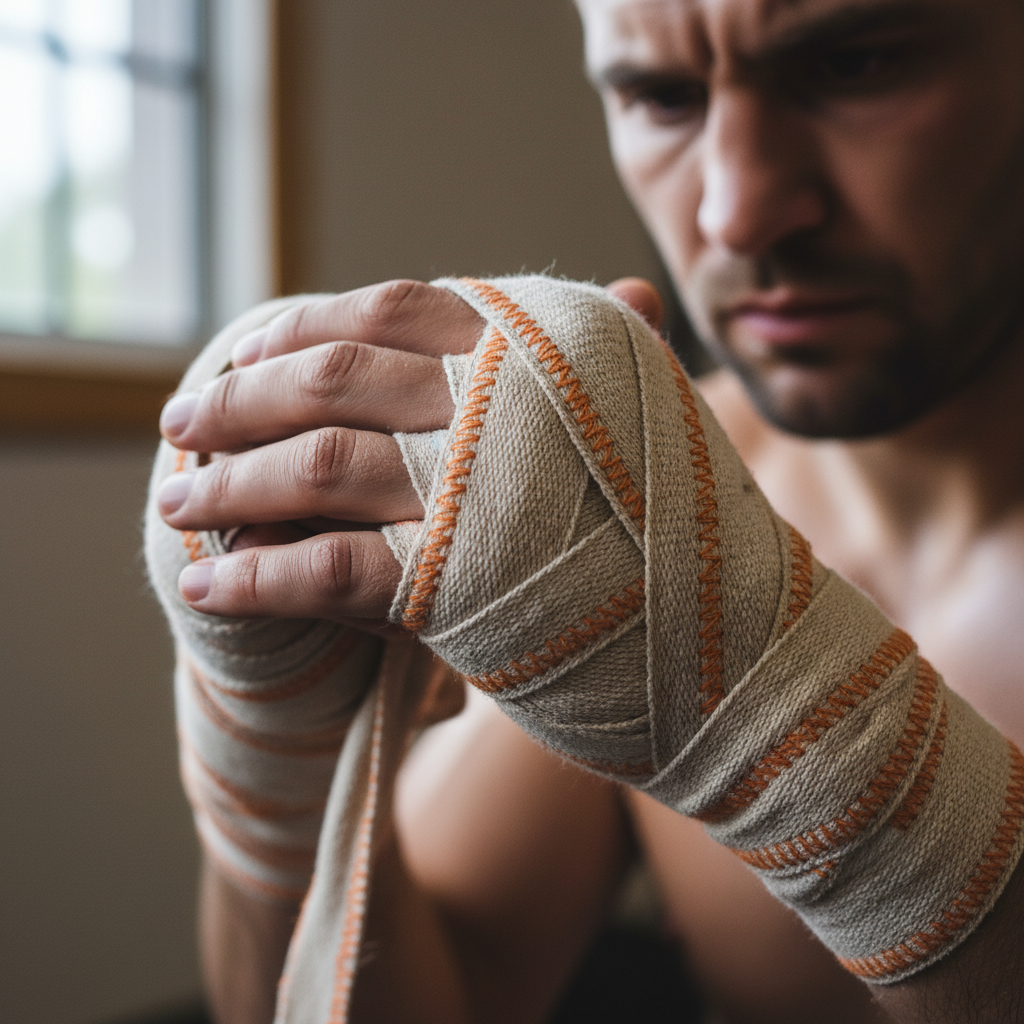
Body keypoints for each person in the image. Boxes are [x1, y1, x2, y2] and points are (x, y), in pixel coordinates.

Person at [150, 0, 1024, 1020]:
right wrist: (267, 751)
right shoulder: (651, 496)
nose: (735, 210)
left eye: (857, 64)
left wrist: (798, 726)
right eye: (661, 96)